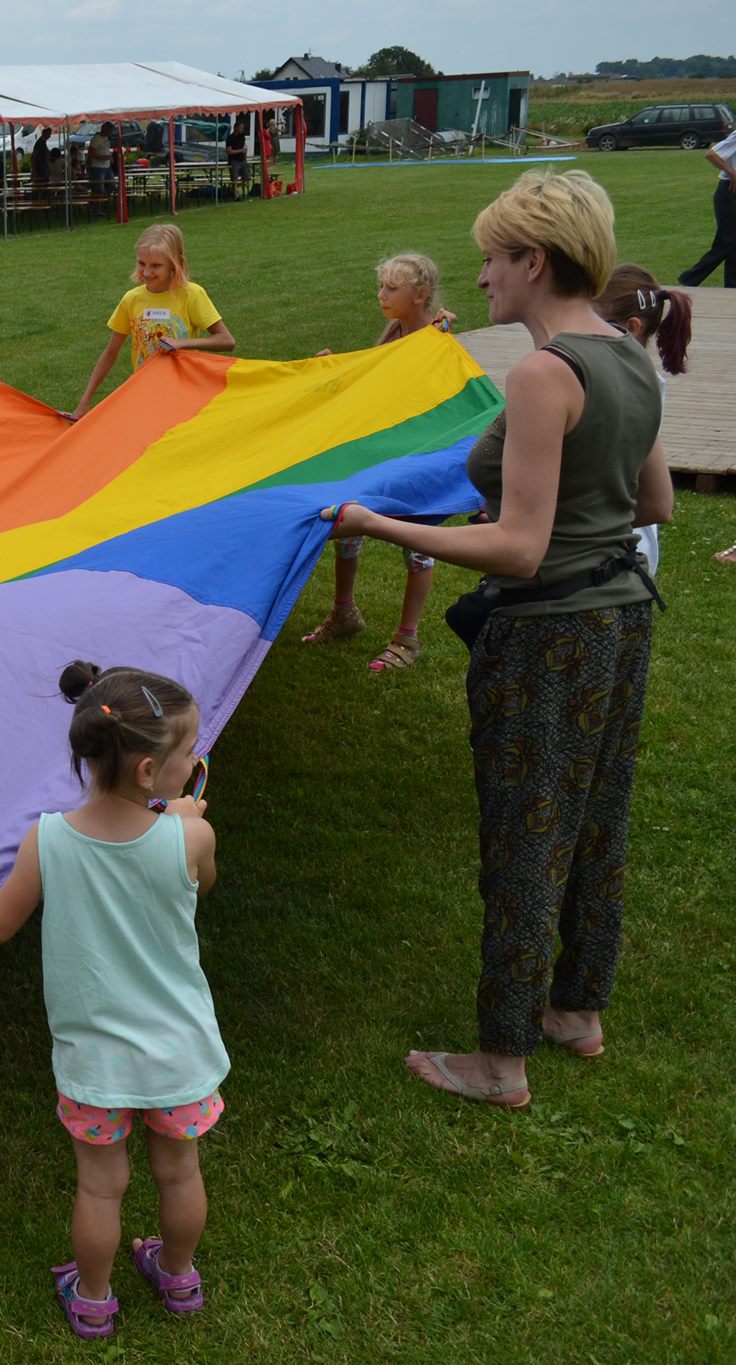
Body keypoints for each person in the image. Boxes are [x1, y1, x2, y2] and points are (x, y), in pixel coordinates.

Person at [326, 170, 670, 1107]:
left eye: (490, 258)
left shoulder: (542, 373)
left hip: (549, 633)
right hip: (625, 618)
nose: (479, 278)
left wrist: (379, 524)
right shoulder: (629, 354)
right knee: (597, 816)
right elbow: (656, 503)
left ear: (535, 260)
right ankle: (577, 1009)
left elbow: (517, 547)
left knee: (527, 829)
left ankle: (502, 1059)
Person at [0, 661, 222, 1341]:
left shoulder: (49, 839)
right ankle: (179, 1275)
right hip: (180, 1050)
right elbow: (201, 884)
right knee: (179, 1170)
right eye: (189, 752)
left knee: (101, 1186)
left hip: (97, 1059)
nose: (197, 762)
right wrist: (182, 823)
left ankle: (95, 1296)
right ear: (147, 773)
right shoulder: (192, 836)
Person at [301, 253, 456, 670]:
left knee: (415, 541)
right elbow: (372, 393)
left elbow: (438, 401)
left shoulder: (437, 340)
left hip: (418, 460)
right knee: (348, 528)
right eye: (381, 286)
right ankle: (345, 612)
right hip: (380, 455)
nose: (380, 294)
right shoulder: (393, 335)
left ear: (421, 294)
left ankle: (408, 639)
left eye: (391, 288)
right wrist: (334, 371)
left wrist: (438, 343)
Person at [72, 224, 235, 418]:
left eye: (156, 266)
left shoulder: (191, 295)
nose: (147, 272)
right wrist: (84, 401)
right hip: (145, 393)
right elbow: (110, 353)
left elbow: (226, 341)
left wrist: (182, 344)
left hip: (183, 393)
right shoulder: (131, 299)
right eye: (142, 263)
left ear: (175, 264)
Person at [594, 264, 693, 571]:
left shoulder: (623, 388)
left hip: (614, 552)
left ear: (631, 326)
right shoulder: (640, 380)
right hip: (622, 545)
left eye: (589, 322)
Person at [676, 121, 736, 288]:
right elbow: (711, 154)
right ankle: (690, 278)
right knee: (726, 240)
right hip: (729, 192)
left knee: (733, 241)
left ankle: (732, 285)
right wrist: (731, 173)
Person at [87, 123, 116, 198]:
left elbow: (106, 150)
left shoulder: (106, 139)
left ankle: (106, 203)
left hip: (107, 167)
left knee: (112, 186)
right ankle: (98, 206)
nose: (111, 132)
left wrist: (110, 157)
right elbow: (91, 154)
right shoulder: (96, 139)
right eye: (110, 130)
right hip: (98, 167)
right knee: (99, 189)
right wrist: (104, 157)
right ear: (104, 129)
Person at [225, 116, 250, 196]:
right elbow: (228, 151)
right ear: (236, 128)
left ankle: (233, 188)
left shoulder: (242, 136)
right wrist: (240, 151)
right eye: (241, 128)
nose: (242, 129)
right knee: (234, 178)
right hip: (234, 160)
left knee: (247, 177)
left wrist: (245, 155)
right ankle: (235, 195)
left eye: (242, 128)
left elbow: (244, 146)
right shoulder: (230, 138)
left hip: (242, 160)